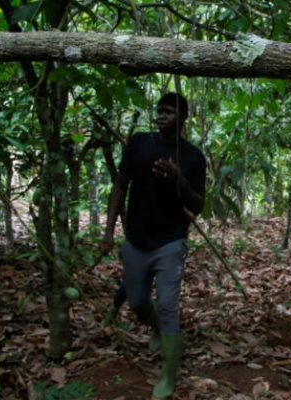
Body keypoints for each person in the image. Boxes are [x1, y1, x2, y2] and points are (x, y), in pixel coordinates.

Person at [100, 92, 206, 399]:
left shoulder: (192, 157)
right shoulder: (139, 144)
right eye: (159, 111)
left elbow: (198, 205)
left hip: (170, 241)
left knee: (168, 305)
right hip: (136, 239)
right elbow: (121, 184)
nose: (162, 116)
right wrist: (109, 231)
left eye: (170, 112)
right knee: (137, 303)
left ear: (183, 118)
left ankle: (169, 374)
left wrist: (179, 181)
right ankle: (157, 327)